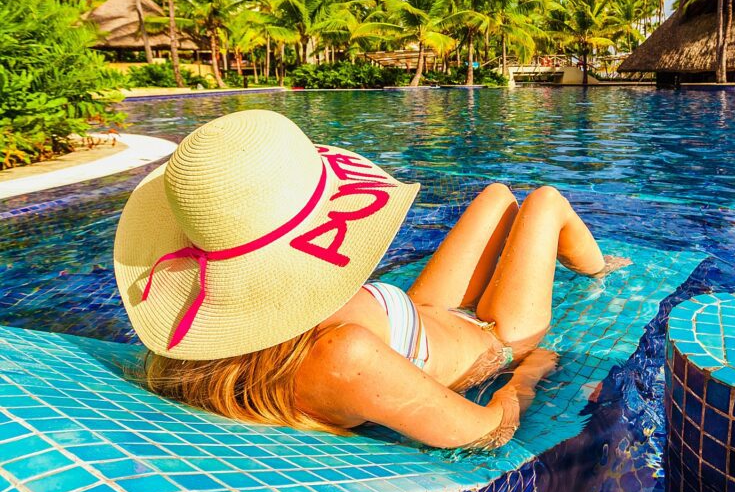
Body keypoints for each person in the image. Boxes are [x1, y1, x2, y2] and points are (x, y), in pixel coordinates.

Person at [114, 109, 627, 449]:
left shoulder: (212, 345)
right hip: (497, 338)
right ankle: (602, 272)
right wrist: (531, 369)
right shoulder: (343, 359)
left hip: (417, 316)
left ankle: (593, 265)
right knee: (545, 201)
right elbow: (487, 432)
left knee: (497, 195)